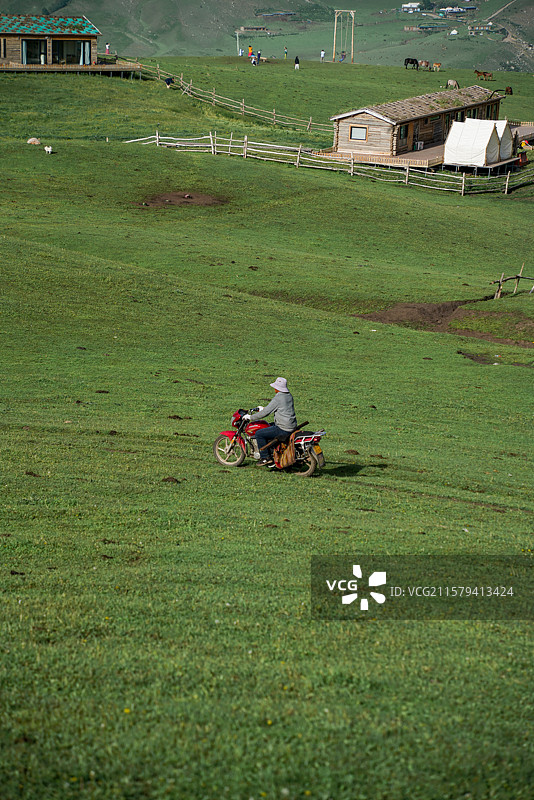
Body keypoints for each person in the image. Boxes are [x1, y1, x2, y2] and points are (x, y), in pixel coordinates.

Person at [244, 377, 297, 466]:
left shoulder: (278, 398)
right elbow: (280, 408)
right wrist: (263, 408)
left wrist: (250, 417)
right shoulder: (288, 395)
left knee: (259, 434)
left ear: (278, 388)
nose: (274, 388)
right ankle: (272, 452)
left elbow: (265, 413)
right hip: (291, 425)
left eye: (275, 387)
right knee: (267, 427)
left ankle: (265, 458)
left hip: (283, 427)